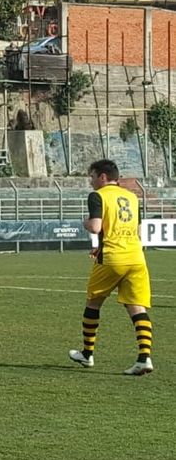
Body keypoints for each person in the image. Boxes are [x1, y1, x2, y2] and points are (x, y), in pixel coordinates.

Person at [69, 160, 154, 375]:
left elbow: (95, 226)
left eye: (92, 176)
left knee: (93, 303)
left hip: (112, 258)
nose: (91, 181)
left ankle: (87, 354)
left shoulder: (97, 196)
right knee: (137, 307)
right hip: (136, 257)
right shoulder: (132, 197)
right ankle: (144, 358)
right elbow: (138, 230)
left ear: (103, 177)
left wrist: (85, 223)